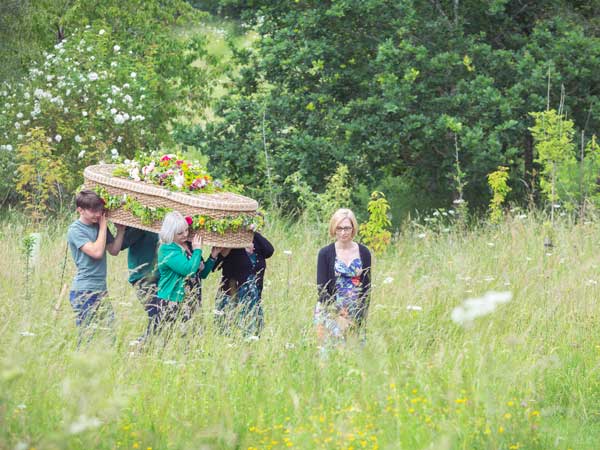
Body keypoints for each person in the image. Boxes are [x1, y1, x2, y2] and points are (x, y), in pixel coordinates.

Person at [66, 189, 125, 343]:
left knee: (110, 334)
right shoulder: (75, 230)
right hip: (83, 290)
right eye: (93, 211)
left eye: (99, 210)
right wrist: (103, 226)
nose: (98, 214)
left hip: (101, 289)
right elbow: (97, 252)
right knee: (87, 337)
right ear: (80, 210)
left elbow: (114, 250)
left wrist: (120, 231)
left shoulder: (98, 227)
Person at [153, 212, 220, 334]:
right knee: (170, 340)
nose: (185, 235)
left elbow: (202, 274)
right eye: (180, 233)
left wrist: (212, 257)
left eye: (186, 230)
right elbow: (188, 270)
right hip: (172, 301)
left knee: (193, 341)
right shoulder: (167, 249)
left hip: (192, 301)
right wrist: (198, 250)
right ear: (170, 233)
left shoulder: (189, 246)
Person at [315, 208, 371, 348]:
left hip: (355, 311)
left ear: (353, 228)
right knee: (329, 356)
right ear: (333, 229)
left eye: (346, 228)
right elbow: (321, 289)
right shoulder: (325, 253)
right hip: (330, 311)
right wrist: (338, 314)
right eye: (339, 228)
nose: (343, 232)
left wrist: (358, 315)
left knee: (355, 355)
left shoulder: (364, 252)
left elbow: (366, 288)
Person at [213, 232, 274, 337]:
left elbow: (269, 250)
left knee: (251, 332)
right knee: (227, 331)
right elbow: (214, 265)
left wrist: (252, 233)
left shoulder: (255, 239)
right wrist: (234, 244)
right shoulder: (229, 239)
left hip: (253, 295)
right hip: (230, 293)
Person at [121, 228, 160, 341]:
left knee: (163, 316)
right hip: (142, 277)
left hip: (162, 275)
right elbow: (122, 244)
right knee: (156, 316)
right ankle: (139, 347)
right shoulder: (139, 223)